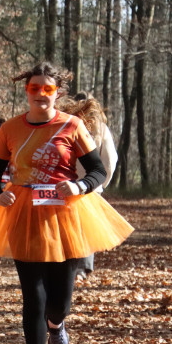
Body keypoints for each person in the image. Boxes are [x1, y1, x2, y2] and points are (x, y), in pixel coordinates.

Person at [0, 62, 133, 344]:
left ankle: (57, 324)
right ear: (26, 91)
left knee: (60, 299)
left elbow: (98, 170)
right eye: (35, 88)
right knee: (33, 295)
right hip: (24, 213)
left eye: (47, 89)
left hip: (65, 215)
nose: (41, 94)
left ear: (57, 93)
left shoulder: (72, 126)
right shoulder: (11, 129)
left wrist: (79, 185)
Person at [59, 92, 118, 280]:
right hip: (89, 185)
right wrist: (101, 184)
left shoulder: (64, 126)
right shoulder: (101, 129)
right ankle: (81, 268)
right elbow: (109, 160)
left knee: (69, 226)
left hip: (68, 184)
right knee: (85, 228)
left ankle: (70, 266)